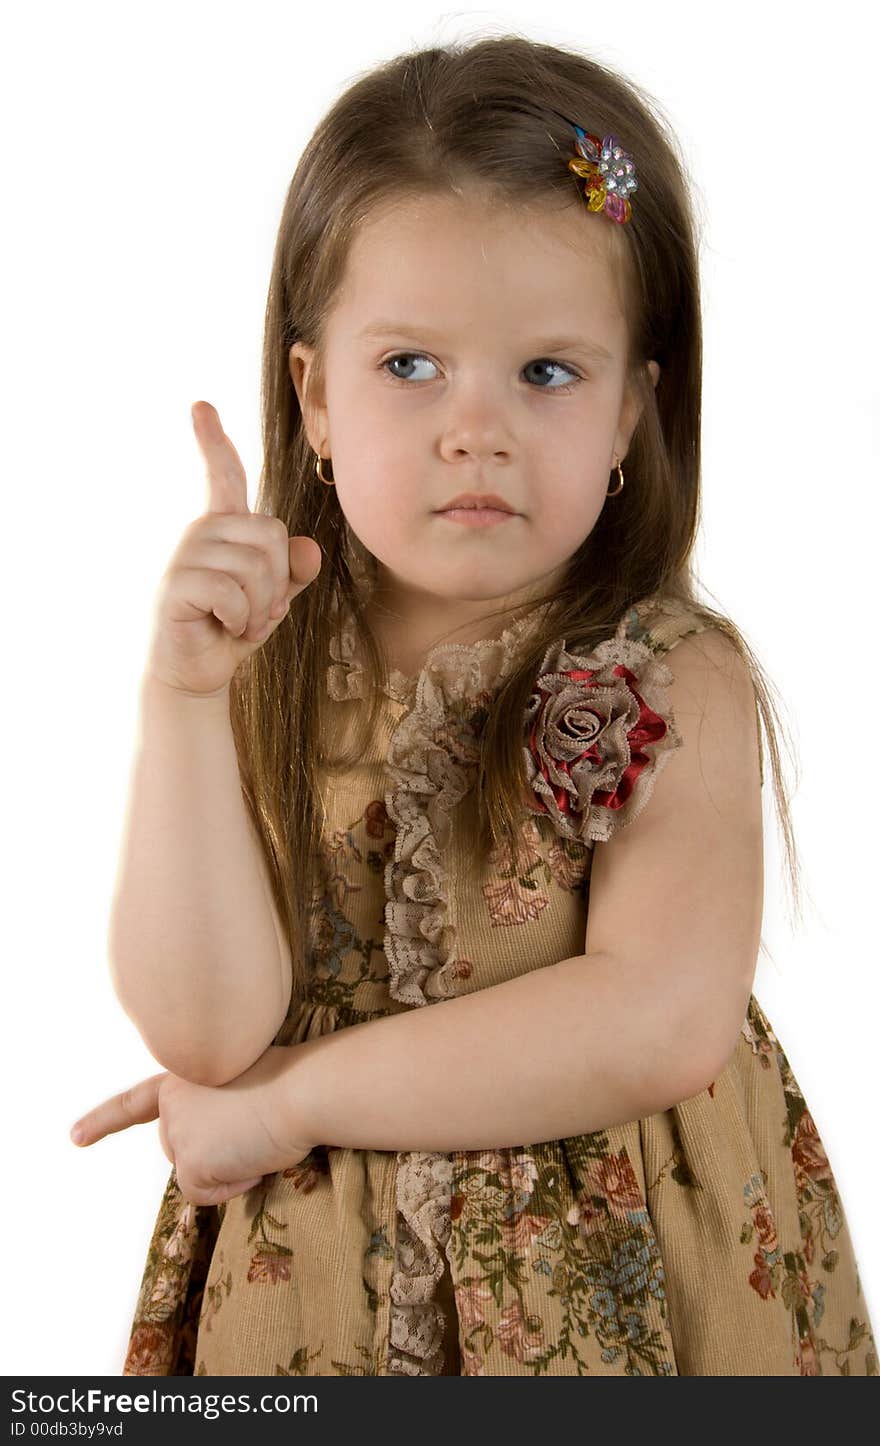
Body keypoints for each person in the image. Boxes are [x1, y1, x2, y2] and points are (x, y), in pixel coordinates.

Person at [69, 34, 877, 1377]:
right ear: (314, 396)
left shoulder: (672, 677)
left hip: (608, 1293)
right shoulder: (268, 662)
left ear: (631, 413)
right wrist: (182, 700)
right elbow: (205, 1027)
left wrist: (295, 1102)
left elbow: (654, 1016)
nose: (475, 429)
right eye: (411, 367)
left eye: (548, 373)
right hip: (319, 1282)